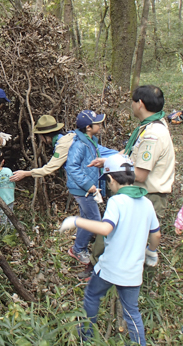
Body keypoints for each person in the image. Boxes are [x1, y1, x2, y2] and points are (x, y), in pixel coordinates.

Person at [59, 154, 161, 346]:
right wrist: (151, 252)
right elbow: (156, 235)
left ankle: (87, 338)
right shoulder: (146, 203)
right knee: (132, 311)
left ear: (111, 179)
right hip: (133, 272)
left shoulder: (117, 201)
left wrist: (75, 221)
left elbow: (106, 229)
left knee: (91, 296)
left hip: (110, 269)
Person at [83, 85, 174, 280]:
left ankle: (117, 275)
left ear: (140, 104)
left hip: (147, 194)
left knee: (127, 236)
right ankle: (102, 268)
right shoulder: (149, 126)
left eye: (132, 102)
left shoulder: (153, 134)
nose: (131, 105)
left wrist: (114, 171)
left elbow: (140, 174)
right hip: (138, 191)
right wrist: (108, 160)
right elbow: (134, 155)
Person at [65, 110, 117, 264]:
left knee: (87, 218)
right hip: (83, 190)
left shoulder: (90, 141)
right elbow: (72, 167)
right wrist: (89, 186)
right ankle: (79, 249)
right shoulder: (79, 144)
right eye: (97, 124)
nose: (100, 126)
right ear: (88, 127)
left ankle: (78, 248)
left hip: (88, 188)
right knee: (95, 221)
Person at [10, 115, 74, 182]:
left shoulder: (63, 145)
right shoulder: (69, 136)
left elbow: (48, 169)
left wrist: (25, 174)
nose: (41, 139)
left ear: (45, 135)